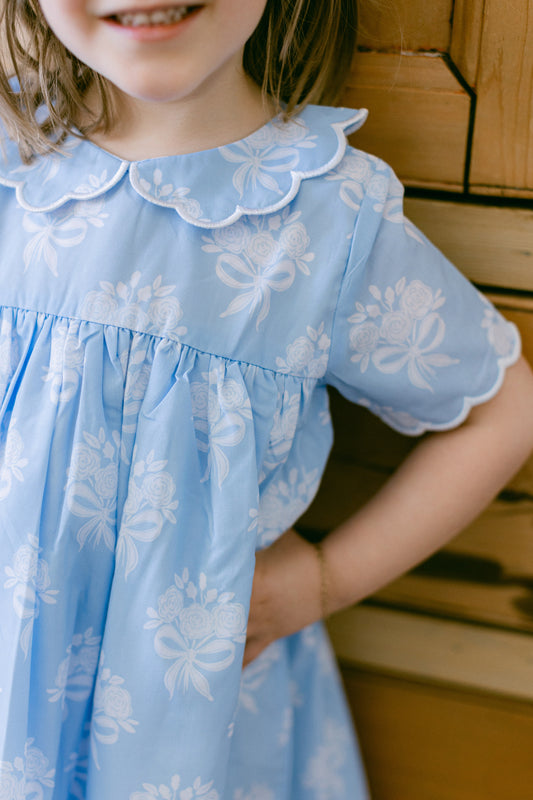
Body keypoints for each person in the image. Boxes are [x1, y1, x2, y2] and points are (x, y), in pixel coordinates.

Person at [0, 1, 532, 798]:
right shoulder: (14, 159)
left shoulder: (324, 216)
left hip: (178, 712)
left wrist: (323, 581)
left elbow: (503, 409)